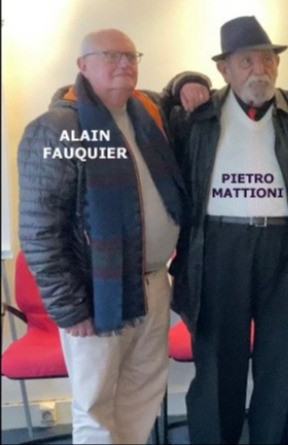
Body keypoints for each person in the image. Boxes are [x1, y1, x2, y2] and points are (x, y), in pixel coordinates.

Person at [17, 29, 208, 443]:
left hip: (153, 283)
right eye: (111, 56)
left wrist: (192, 80)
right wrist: (69, 308)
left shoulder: (147, 110)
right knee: (96, 405)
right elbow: (39, 230)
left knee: (142, 393)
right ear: (83, 65)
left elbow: (178, 92)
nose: (124, 64)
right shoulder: (57, 128)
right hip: (95, 291)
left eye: (131, 56)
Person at [165, 16, 288, 444]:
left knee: (280, 365)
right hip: (218, 248)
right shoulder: (197, 116)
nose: (260, 70)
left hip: (287, 249)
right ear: (224, 69)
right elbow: (151, 107)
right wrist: (183, 81)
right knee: (218, 366)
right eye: (247, 61)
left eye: (268, 60)